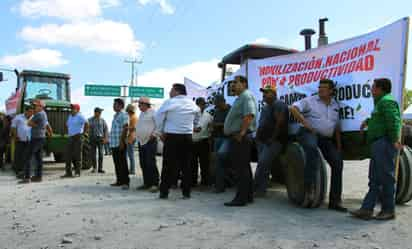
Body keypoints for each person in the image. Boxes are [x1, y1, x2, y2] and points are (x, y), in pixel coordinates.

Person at [290, 79, 346, 211]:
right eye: (320, 87)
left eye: (324, 88)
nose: (321, 89)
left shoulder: (335, 105)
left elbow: (336, 127)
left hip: (325, 138)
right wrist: (307, 125)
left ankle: (335, 201)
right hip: (308, 133)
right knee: (311, 149)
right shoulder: (310, 100)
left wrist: (338, 146)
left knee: (338, 162)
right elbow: (293, 108)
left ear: (331, 91)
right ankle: (309, 190)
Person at [350, 78, 402, 220]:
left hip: (384, 143)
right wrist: (367, 121)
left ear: (380, 89)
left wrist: (395, 140)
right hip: (378, 144)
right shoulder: (380, 102)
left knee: (386, 178)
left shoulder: (387, 101)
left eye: (373, 87)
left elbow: (394, 121)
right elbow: (381, 119)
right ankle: (367, 209)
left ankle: (388, 210)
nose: (371, 90)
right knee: (374, 178)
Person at [155, 83, 200, 199]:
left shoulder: (170, 102)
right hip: (187, 137)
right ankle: (186, 192)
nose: (169, 93)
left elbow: (158, 116)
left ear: (177, 91)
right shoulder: (192, 104)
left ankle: (164, 192)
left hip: (172, 137)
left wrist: (160, 131)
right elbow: (198, 115)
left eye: (171, 90)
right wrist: (193, 126)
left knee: (167, 165)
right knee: (186, 166)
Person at [223, 75, 258, 206]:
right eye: (232, 83)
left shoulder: (246, 96)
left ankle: (240, 198)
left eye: (235, 83)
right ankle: (247, 196)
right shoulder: (241, 97)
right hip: (240, 137)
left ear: (243, 84)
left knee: (240, 169)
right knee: (244, 168)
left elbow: (249, 115)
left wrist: (242, 133)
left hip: (241, 137)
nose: (232, 85)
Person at [254, 85, 289, 197]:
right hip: (262, 141)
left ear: (274, 94)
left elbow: (280, 123)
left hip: (274, 141)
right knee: (263, 165)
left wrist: (272, 139)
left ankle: (258, 190)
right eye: (263, 92)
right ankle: (259, 189)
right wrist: (257, 138)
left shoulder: (279, 104)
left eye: (267, 92)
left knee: (263, 164)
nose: (264, 94)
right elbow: (261, 123)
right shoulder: (265, 107)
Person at [19, 99, 52, 183]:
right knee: (38, 158)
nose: (34, 107)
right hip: (41, 138)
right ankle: (38, 177)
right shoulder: (43, 114)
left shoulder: (39, 114)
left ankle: (27, 178)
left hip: (36, 138)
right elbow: (40, 125)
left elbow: (28, 123)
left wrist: (34, 124)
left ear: (41, 106)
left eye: (36, 106)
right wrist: (37, 125)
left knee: (28, 156)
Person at [136, 97, 159, 192]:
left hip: (150, 141)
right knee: (143, 163)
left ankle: (155, 184)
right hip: (141, 142)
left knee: (150, 163)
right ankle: (147, 183)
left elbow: (159, 125)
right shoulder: (141, 114)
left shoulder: (153, 112)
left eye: (140, 104)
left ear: (145, 104)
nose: (138, 106)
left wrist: (153, 135)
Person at [212, 95, 234, 193]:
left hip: (227, 138)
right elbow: (214, 122)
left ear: (223, 102)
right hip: (217, 138)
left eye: (217, 103)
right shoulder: (217, 111)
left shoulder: (231, 110)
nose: (217, 106)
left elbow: (231, 124)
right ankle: (221, 184)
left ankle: (221, 185)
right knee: (219, 162)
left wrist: (218, 124)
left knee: (221, 159)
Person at [61, 104, 88, 178]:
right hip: (70, 137)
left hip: (78, 137)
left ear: (77, 110)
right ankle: (68, 173)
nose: (71, 110)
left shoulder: (80, 116)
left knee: (77, 155)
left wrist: (84, 133)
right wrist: (64, 132)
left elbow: (87, 123)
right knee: (68, 155)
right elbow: (67, 125)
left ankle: (77, 172)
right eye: (71, 108)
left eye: (73, 108)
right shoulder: (70, 116)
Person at [191, 97, 213, 187]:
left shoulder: (208, 115)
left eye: (203, 104)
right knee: (192, 163)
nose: (202, 106)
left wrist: (211, 129)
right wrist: (193, 129)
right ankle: (193, 182)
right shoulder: (191, 115)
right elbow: (186, 126)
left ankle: (205, 182)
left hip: (204, 141)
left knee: (205, 163)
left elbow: (211, 128)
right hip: (193, 142)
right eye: (200, 104)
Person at [109, 98, 130, 189]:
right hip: (114, 143)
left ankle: (125, 182)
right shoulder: (115, 115)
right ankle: (119, 181)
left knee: (122, 163)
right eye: (113, 104)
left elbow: (125, 128)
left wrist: (122, 141)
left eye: (115, 104)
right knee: (117, 163)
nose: (113, 106)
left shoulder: (124, 114)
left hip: (120, 143)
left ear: (121, 106)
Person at [10, 105, 33, 178]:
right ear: (26, 111)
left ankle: (24, 171)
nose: (31, 114)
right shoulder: (18, 117)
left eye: (32, 112)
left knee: (26, 157)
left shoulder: (33, 118)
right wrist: (16, 136)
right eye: (29, 112)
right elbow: (13, 127)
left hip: (29, 140)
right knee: (18, 156)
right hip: (19, 140)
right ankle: (18, 171)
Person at [88, 107, 109, 173]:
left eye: (100, 112)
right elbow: (87, 128)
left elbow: (106, 129)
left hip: (100, 139)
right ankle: (94, 168)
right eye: (99, 112)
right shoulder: (90, 120)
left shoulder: (102, 120)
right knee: (93, 154)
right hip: (93, 138)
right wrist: (88, 136)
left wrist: (105, 138)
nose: (100, 113)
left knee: (101, 154)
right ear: (95, 112)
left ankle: (100, 168)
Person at [125, 104, 138, 175]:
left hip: (131, 138)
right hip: (131, 137)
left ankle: (132, 170)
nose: (127, 112)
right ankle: (131, 170)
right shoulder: (132, 117)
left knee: (131, 155)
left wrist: (126, 128)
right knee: (130, 155)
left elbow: (134, 128)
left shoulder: (133, 117)